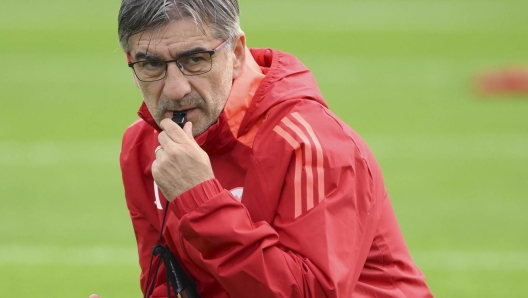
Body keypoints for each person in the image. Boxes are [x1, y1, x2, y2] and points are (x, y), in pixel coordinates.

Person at [93, 0, 434, 297]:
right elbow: (172, 284)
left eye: (195, 59)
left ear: (237, 53)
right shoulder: (143, 146)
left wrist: (201, 199)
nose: (176, 88)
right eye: (151, 64)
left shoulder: (310, 142)